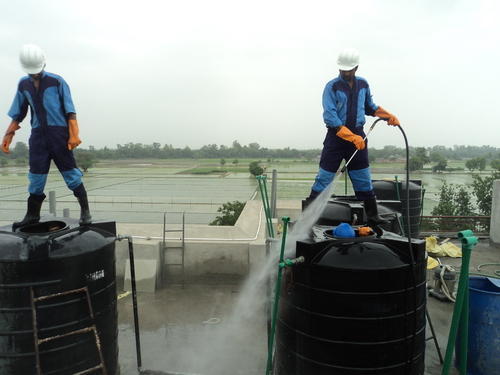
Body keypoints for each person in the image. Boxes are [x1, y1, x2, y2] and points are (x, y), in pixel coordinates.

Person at [307, 48, 400, 227]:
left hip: (358, 137)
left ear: (356, 68)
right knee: (324, 177)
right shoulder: (332, 86)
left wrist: (387, 115)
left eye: (349, 69)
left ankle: (373, 217)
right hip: (336, 138)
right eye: (343, 69)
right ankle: (309, 219)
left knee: (363, 177)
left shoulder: (363, 84)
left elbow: (369, 106)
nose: (345, 72)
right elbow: (330, 116)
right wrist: (349, 136)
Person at [2, 44, 91, 229]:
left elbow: (70, 110)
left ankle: (85, 211)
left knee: (70, 173)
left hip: (59, 134)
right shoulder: (23, 84)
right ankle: (32, 215)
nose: (34, 74)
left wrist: (73, 133)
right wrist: (9, 133)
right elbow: (19, 111)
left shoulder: (57, 81)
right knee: (36, 176)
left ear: (44, 63)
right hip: (38, 137)